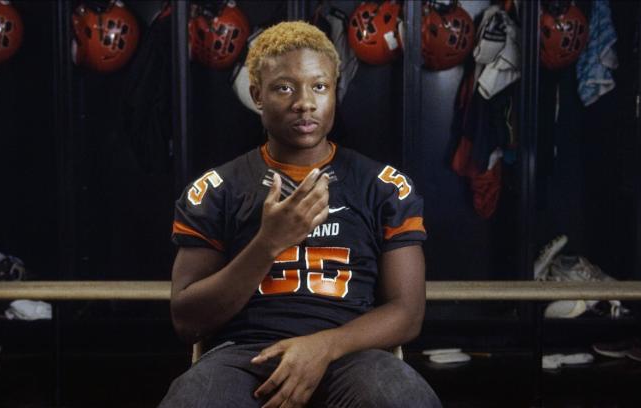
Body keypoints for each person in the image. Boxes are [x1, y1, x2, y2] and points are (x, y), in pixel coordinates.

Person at [160, 21, 440, 408]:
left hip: (349, 353)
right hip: (245, 356)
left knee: (400, 397)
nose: (304, 102)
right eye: (284, 87)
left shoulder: (382, 185)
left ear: (334, 93)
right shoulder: (218, 189)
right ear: (258, 95)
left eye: (319, 86)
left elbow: (407, 314)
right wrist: (269, 242)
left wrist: (324, 347)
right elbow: (187, 320)